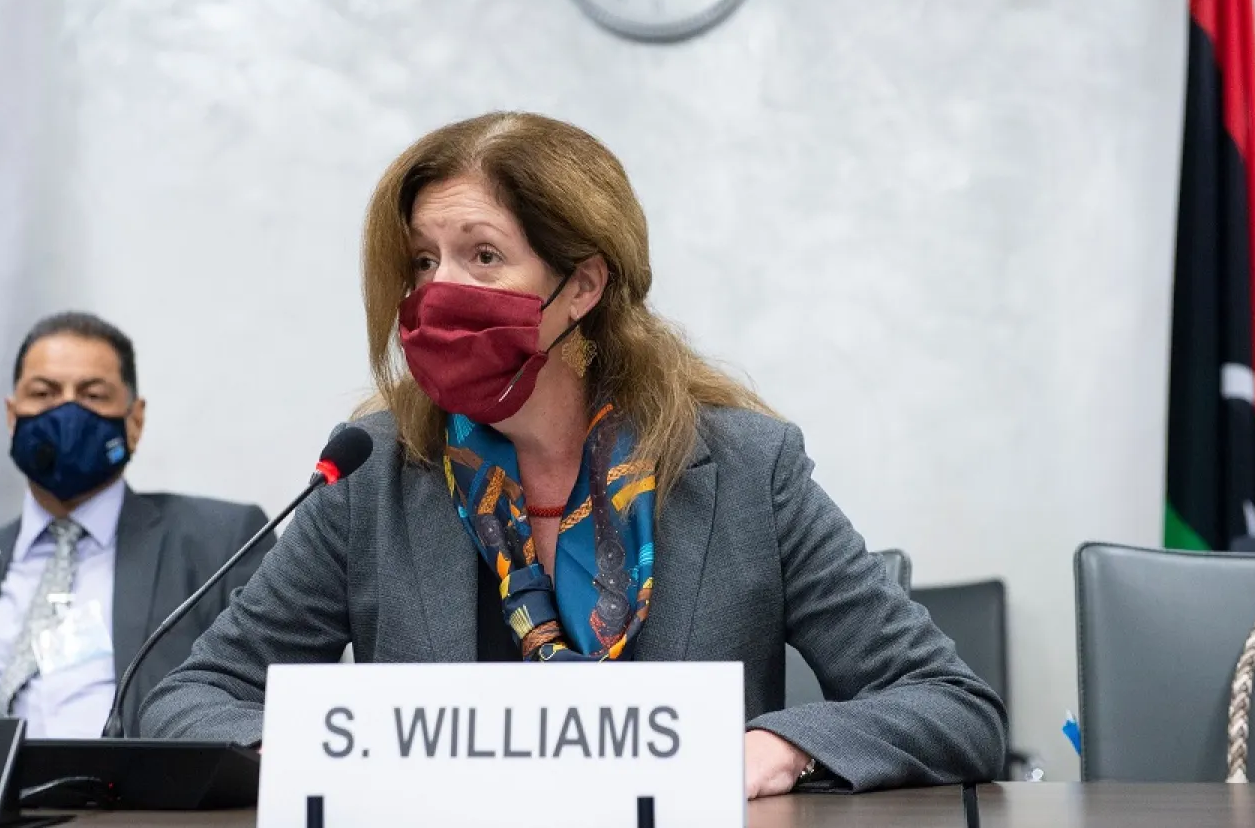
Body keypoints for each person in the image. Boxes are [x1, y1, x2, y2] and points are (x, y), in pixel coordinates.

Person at [140, 114, 1006, 794]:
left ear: (583, 286)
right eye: (422, 260)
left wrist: (783, 745)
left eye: (483, 257)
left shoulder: (747, 468)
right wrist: (323, 754)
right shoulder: (375, 470)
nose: (440, 291)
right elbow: (185, 702)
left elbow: (952, 707)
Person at [0, 311, 274, 737]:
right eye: (43, 393)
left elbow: (271, 696)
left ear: (134, 421)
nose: (66, 411)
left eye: (92, 395)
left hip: (129, 800)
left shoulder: (222, 542)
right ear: (12, 416)